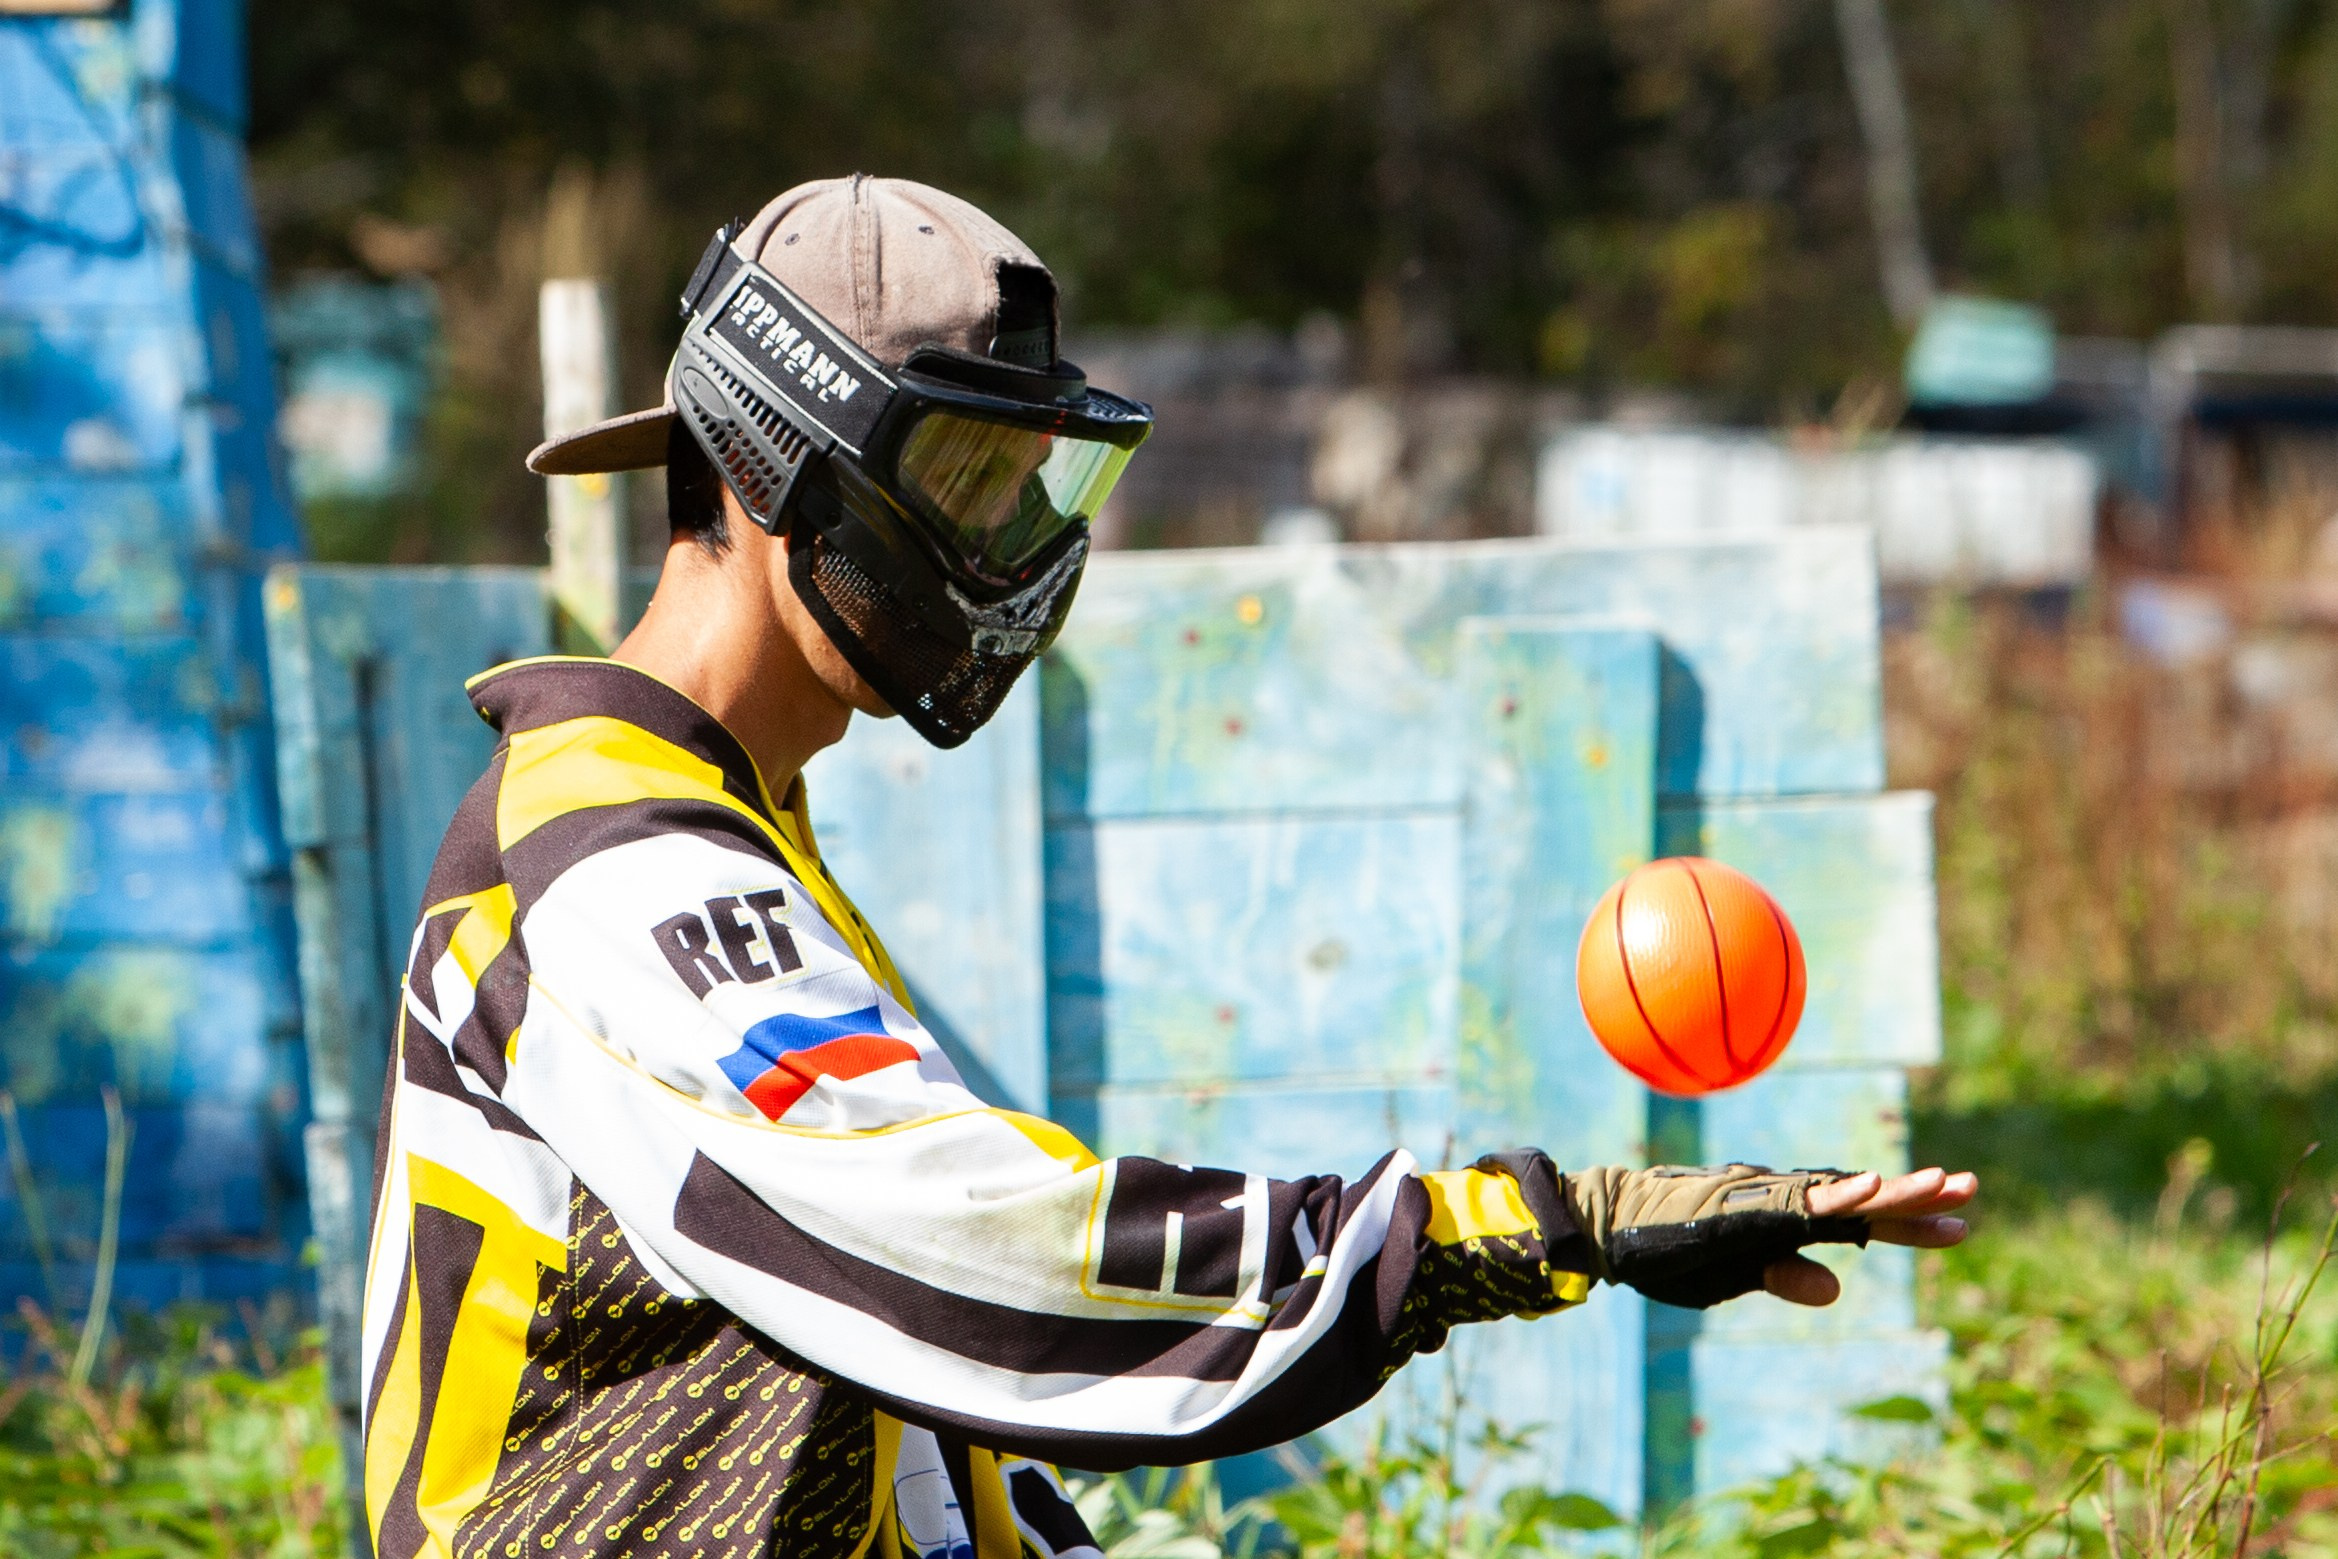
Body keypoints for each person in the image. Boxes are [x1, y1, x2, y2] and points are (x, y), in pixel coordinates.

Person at [358, 175, 1976, 1559]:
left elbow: (876, 1374)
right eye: (966, 486)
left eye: (1027, 490)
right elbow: (968, 1243)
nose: (1010, 554)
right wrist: (1542, 1225)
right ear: (778, 471)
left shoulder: (717, 814)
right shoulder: (618, 865)